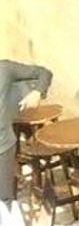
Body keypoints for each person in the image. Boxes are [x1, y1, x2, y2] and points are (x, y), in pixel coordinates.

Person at [0, 58, 53, 207]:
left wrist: (37, 92)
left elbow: (44, 73)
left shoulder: (4, 69)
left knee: (3, 200)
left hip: (3, 147)